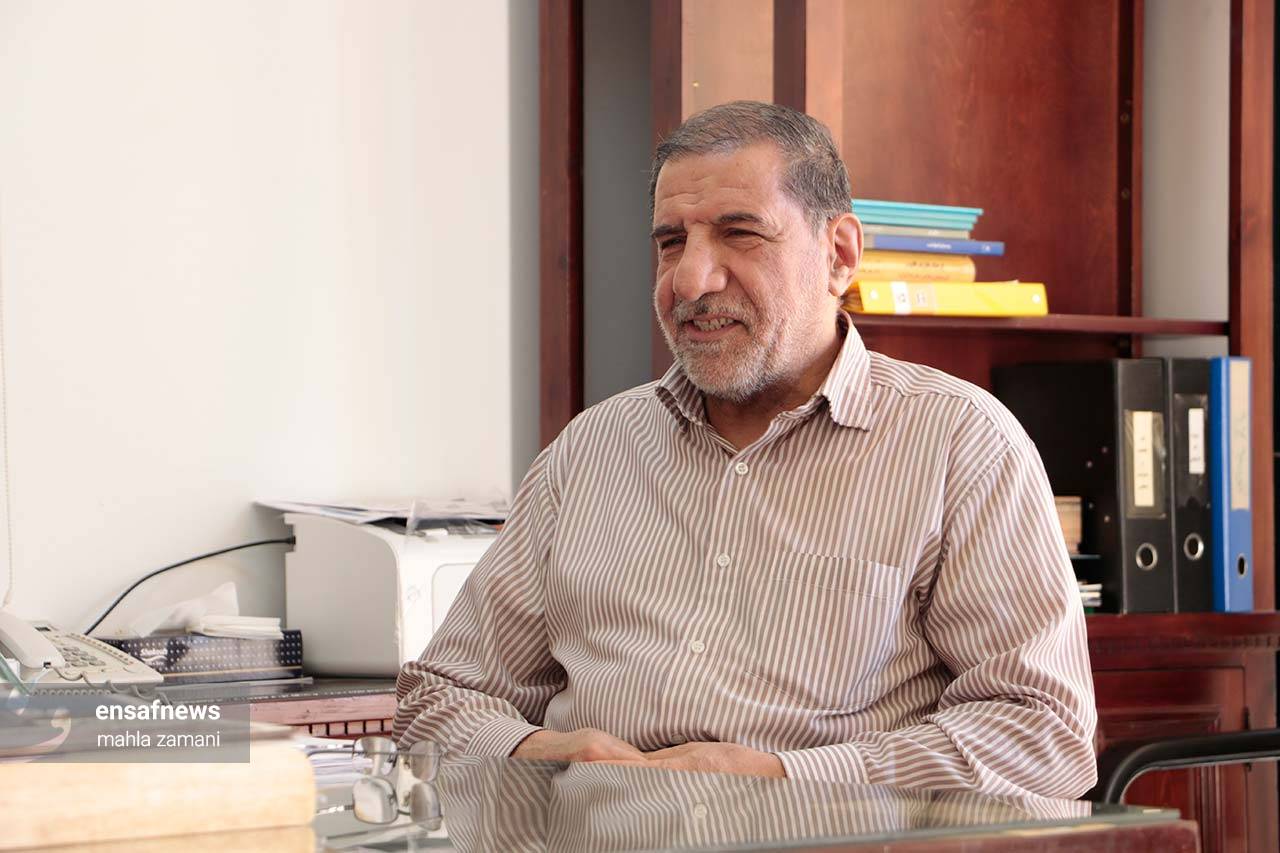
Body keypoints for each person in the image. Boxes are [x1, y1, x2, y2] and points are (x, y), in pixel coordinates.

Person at [393, 100, 1097, 798]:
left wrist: (788, 778)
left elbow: (1045, 734)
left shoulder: (960, 444)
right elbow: (441, 696)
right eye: (672, 242)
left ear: (839, 255)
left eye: (740, 234)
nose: (690, 280)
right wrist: (540, 750)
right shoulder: (589, 452)